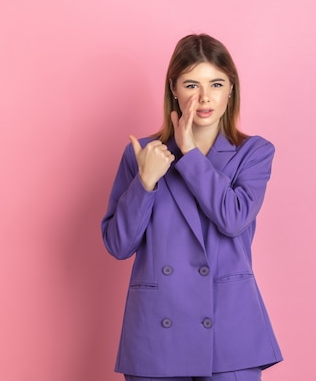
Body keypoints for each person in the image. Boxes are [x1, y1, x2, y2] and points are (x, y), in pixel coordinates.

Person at [101, 33, 283, 381]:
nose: (204, 98)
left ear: (231, 89)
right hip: (157, 332)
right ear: (173, 88)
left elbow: (233, 218)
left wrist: (190, 153)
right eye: (191, 84)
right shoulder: (143, 153)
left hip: (230, 331)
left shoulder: (254, 152)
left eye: (216, 83)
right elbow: (118, 245)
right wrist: (145, 182)